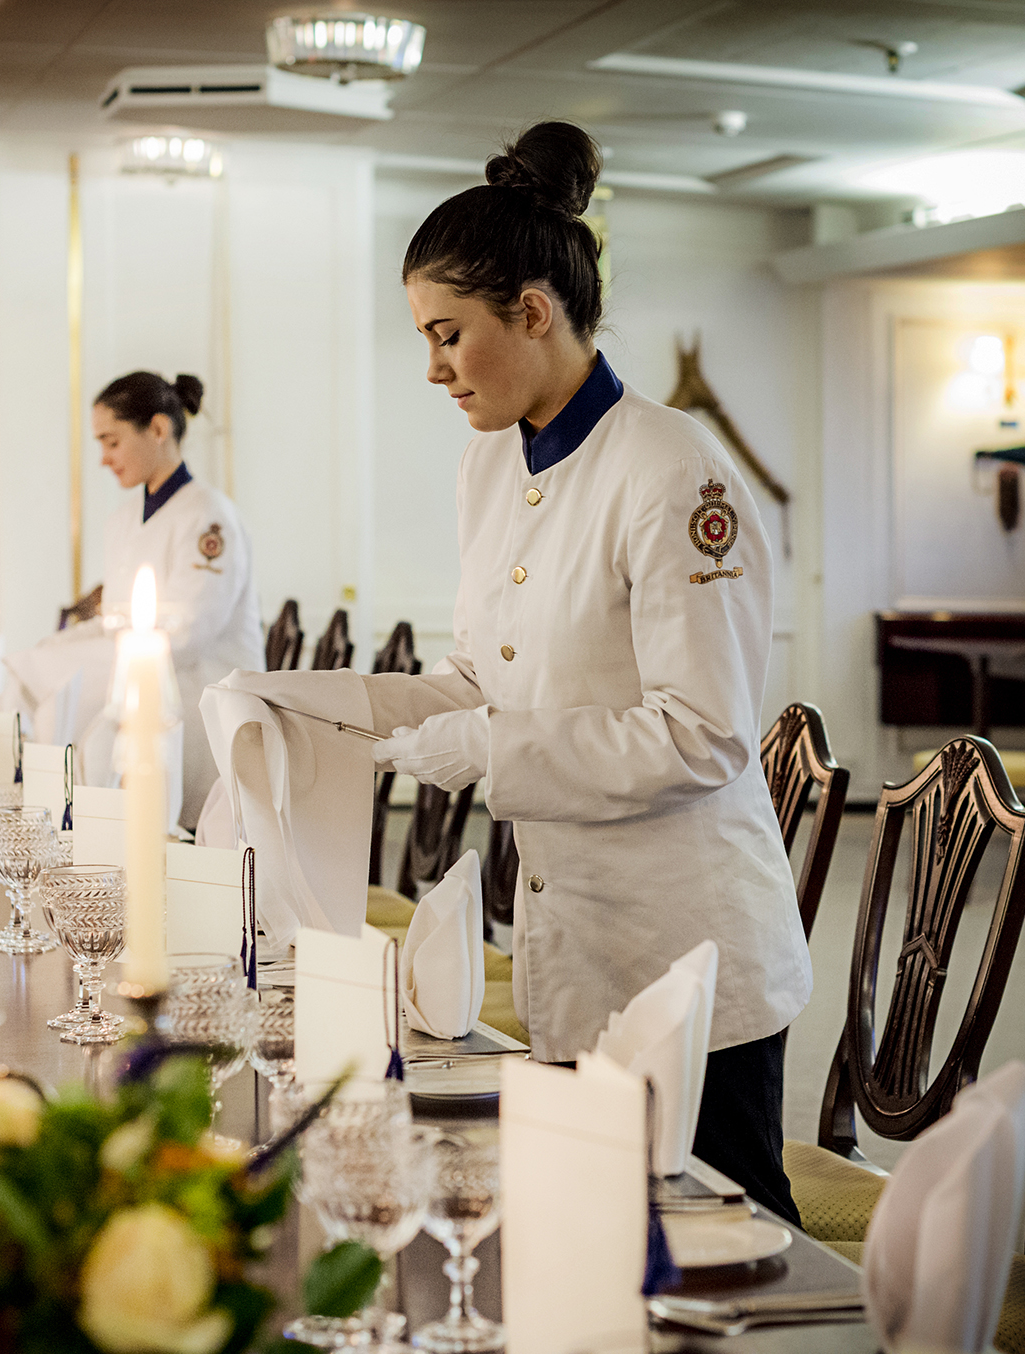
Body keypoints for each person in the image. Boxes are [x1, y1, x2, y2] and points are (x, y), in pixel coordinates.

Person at [364, 122, 809, 1222]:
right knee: (597, 1230)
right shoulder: (487, 463)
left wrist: (485, 749)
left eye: (446, 334)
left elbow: (702, 731)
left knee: (721, 1243)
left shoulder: (672, 470)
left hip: (687, 943)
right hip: (570, 926)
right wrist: (346, 714)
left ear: (533, 310)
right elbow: (486, 670)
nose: (430, 367)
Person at [6, 371, 261, 831]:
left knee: (59, 695)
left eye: (112, 441)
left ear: (159, 429)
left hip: (196, 700)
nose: (102, 459)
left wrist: (78, 660)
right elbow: (115, 617)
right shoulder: (124, 519)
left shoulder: (208, 517)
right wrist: (62, 645)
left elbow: (187, 631)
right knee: (34, 675)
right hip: (136, 685)